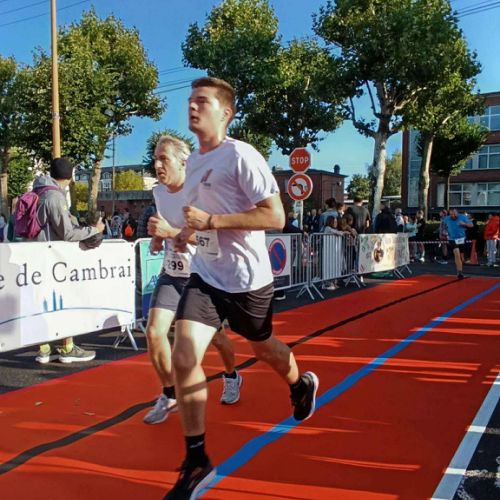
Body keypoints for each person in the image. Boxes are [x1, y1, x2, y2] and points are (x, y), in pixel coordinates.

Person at [166, 77, 319, 499]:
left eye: (202, 101)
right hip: (206, 276)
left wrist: (213, 223)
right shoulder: (193, 162)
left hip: (248, 281)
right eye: (190, 101)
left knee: (264, 348)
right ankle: (196, 460)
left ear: (226, 113)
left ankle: (299, 385)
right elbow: (198, 216)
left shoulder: (241, 155)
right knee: (184, 355)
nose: (192, 107)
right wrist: (183, 234)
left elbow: (275, 217)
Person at [144, 135, 242, 425]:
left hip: (201, 276)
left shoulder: (201, 192)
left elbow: (212, 239)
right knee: (154, 333)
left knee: (218, 339)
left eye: (164, 159)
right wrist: (157, 239)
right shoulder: (158, 192)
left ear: (183, 162)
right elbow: (166, 224)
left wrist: (172, 233)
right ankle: (169, 393)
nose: (157, 165)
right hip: (172, 274)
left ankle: (232, 375)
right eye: (156, 159)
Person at [28, 158, 104, 363]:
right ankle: (67, 347)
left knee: (42, 302)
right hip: (54, 259)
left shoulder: (38, 192)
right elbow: (67, 233)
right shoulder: (55, 196)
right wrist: (94, 230)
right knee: (65, 300)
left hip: (36, 256)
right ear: (69, 177)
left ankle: (44, 349)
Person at [443, 208, 473, 279]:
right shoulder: (447, 219)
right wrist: (444, 231)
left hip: (462, 238)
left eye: (454, 214)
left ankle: (462, 263)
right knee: (457, 254)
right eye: (451, 214)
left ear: (457, 213)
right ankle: (459, 272)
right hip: (452, 239)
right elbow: (444, 226)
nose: (453, 215)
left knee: (462, 256)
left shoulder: (463, 217)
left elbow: (471, 225)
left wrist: (464, 224)